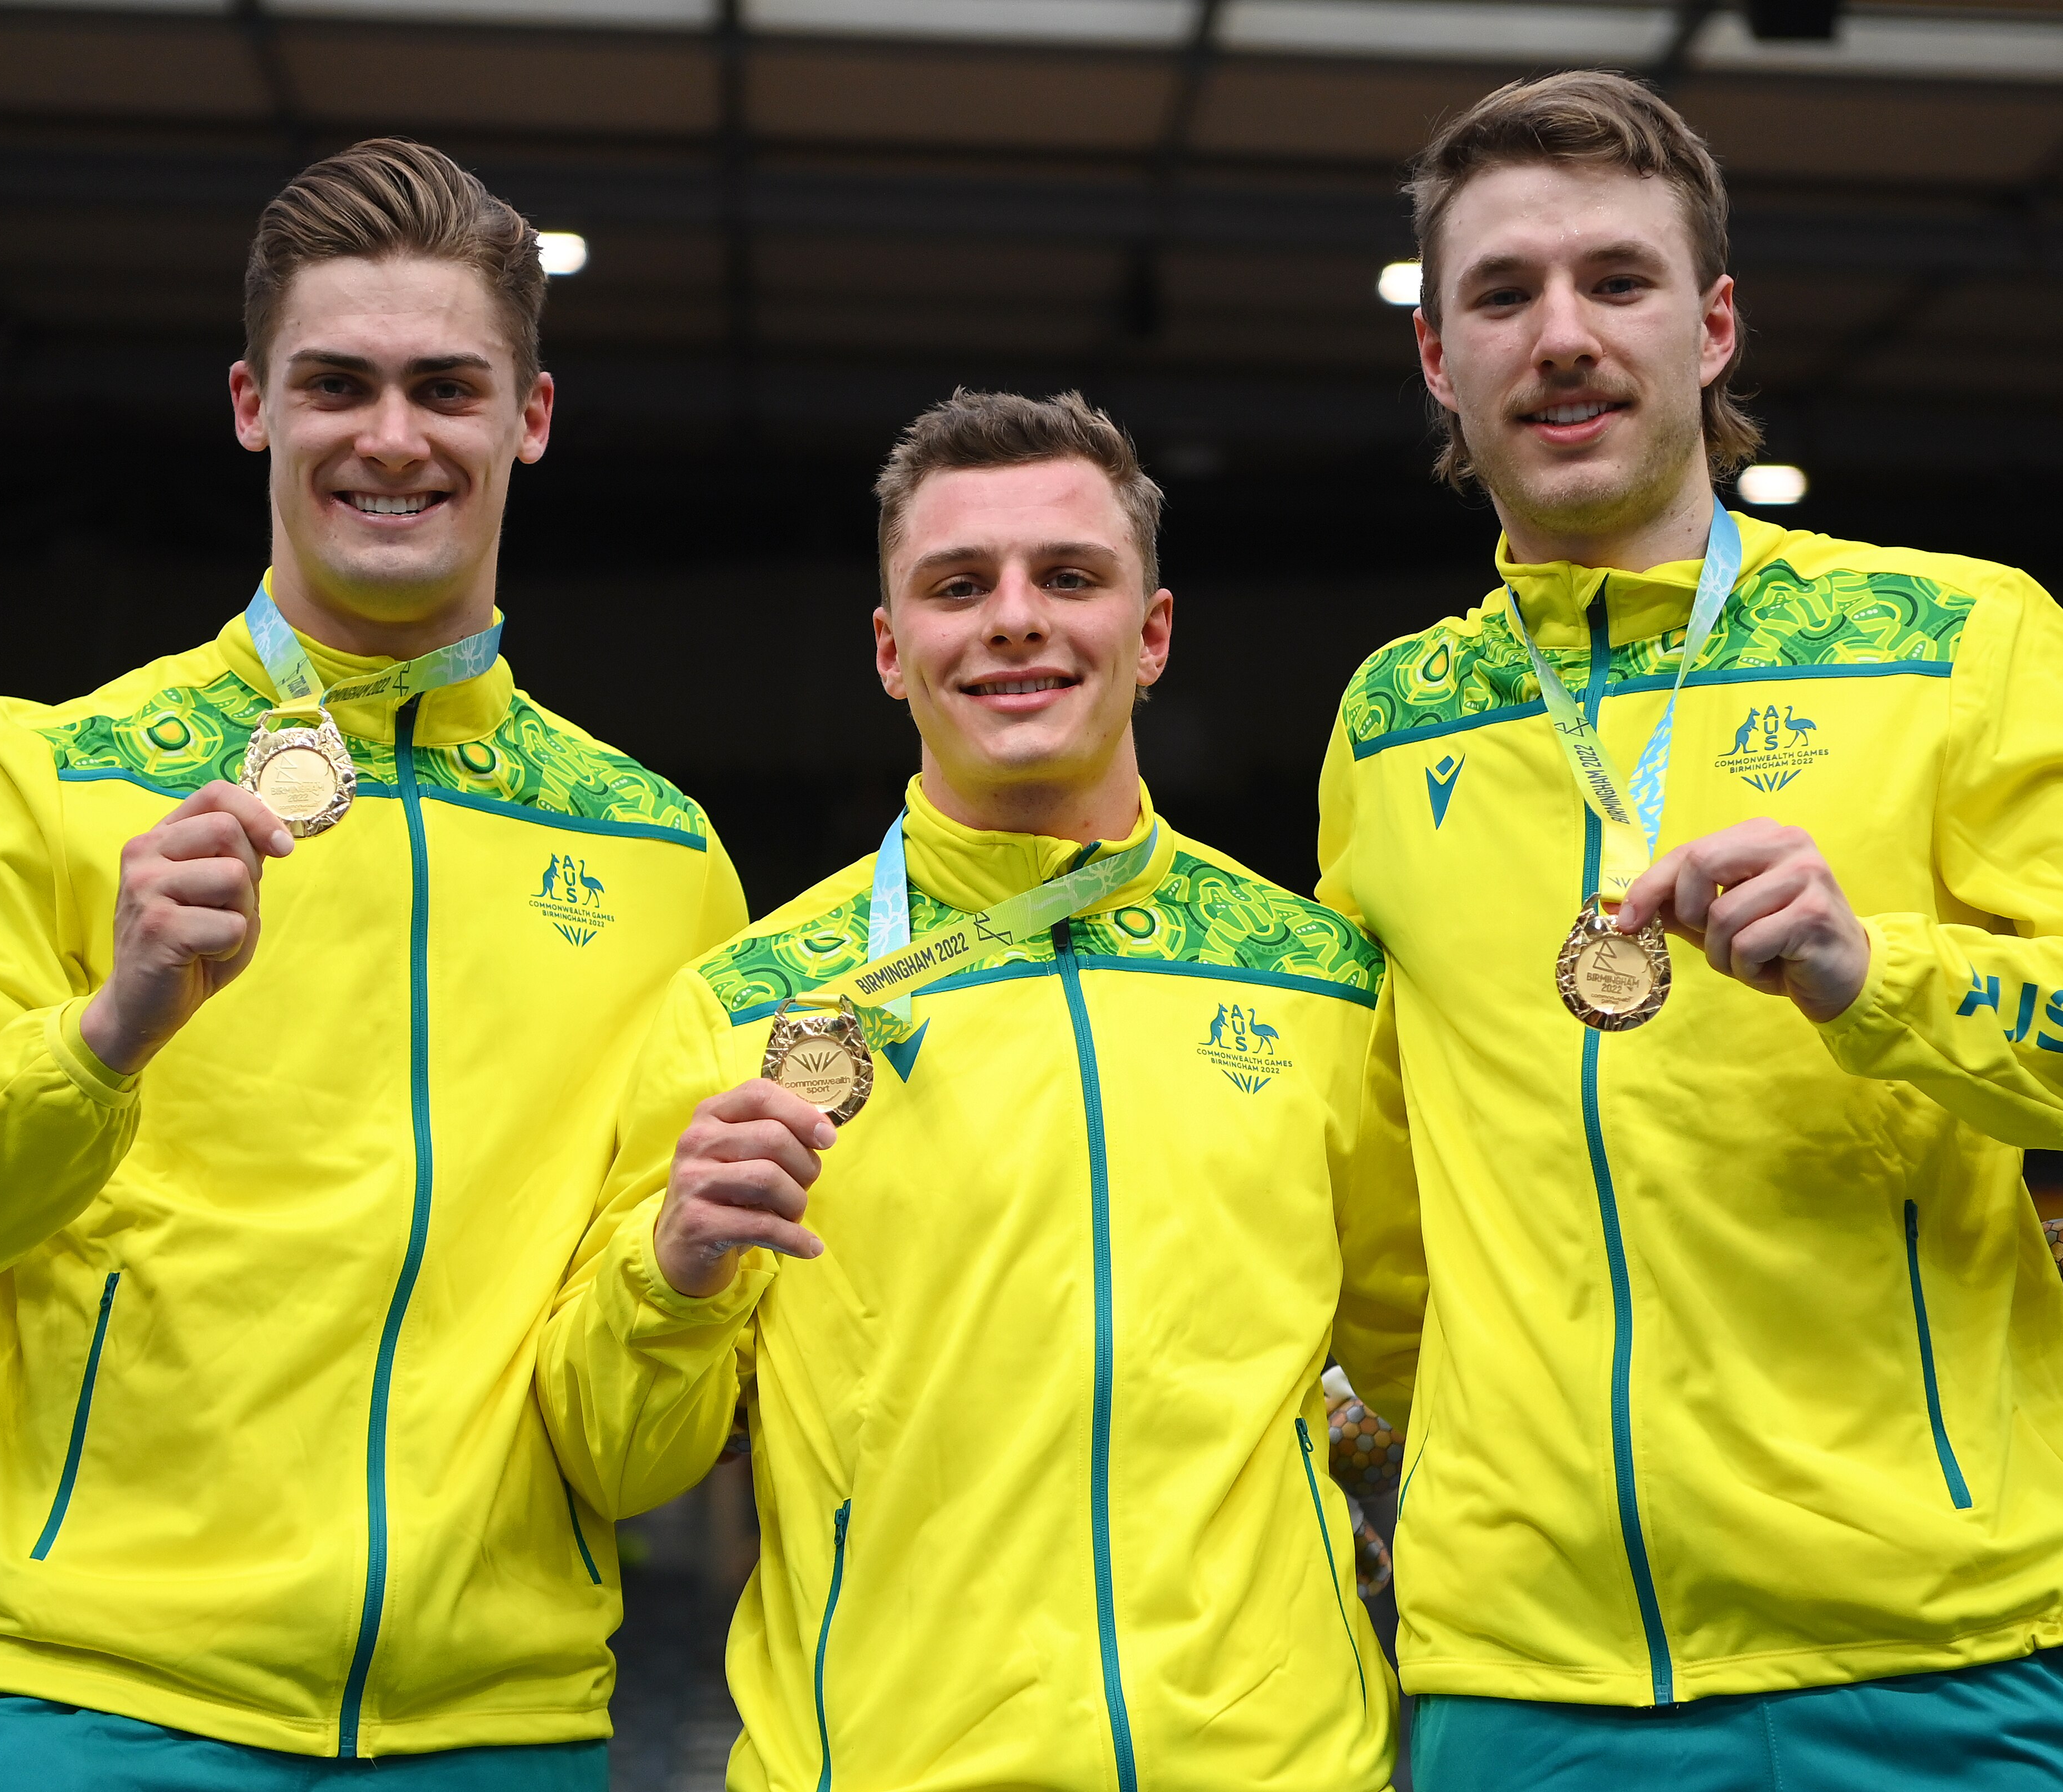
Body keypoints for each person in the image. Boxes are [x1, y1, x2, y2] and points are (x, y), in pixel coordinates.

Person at [1316, 71, 2063, 1789]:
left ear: (1709, 328)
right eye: (1502, 293)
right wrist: (1472, 1459)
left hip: (1950, 1664)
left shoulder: (1956, 636)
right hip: (1531, 1688)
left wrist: (1886, 975)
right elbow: (1381, 1191)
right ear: (1438, 361)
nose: (1562, 335)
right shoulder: (1389, 723)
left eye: (1616, 283)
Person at [0, 138, 744, 1786]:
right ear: (252, 405)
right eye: (335, 383)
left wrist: (686, 1283)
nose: (389, 435)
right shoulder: (47, 774)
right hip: (76, 1715)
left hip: (499, 1737)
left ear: (531, 418)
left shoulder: (668, 863)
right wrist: (101, 1036)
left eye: (446, 386)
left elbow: (634, 1442)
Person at [545, 390, 1423, 1790]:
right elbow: (614, 1456)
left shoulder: (1322, 983)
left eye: (1066, 577)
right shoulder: (747, 1006)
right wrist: (672, 1270)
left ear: (1149, 632)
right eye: (959, 586)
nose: (1013, 617)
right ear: (893, 651)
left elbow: (1425, 1368)